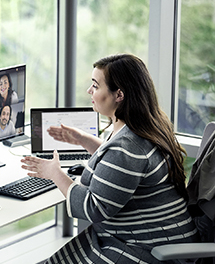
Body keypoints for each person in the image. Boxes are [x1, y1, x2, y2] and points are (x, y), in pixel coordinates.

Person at [21, 54, 199, 264]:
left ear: (119, 95)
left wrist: (55, 174)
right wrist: (85, 140)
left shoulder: (127, 148)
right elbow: (127, 169)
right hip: (160, 237)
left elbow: (92, 208)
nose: (90, 91)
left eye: (95, 86)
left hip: (148, 249)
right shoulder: (146, 127)